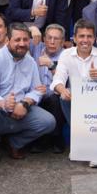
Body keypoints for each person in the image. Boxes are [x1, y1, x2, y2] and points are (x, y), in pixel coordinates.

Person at [0, 23, 57, 183]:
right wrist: (4, 104)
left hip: (19, 109)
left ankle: (13, 143)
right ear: (8, 40)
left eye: (25, 40)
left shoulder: (30, 61)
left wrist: (24, 103)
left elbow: (37, 90)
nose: (22, 44)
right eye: (17, 40)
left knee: (48, 121)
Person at [51, 19, 97, 167]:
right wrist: (62, 90)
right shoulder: (66, 54)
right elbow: (58, 79)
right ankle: (81, 144)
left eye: (89, 36)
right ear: (74, 38)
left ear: (94, 38)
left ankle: (94, 150)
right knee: (64, 96)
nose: (85, 40)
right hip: (76, 100)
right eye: (81, 36)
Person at [31, 23, 68, 153]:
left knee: (55, 99)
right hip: (36, 93)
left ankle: (54, 137)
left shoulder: (67, 55)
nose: (52, 42)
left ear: (63, 41)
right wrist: (33, 28)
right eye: (49, 38)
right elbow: (18, 33)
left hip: (55, 96)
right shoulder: (35, 48)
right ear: (44, 39)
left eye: (56, 39)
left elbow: (65, 81)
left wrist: (51, 66)